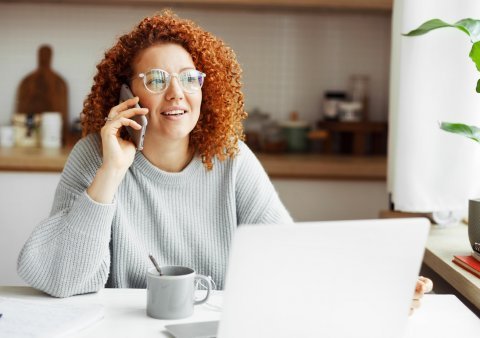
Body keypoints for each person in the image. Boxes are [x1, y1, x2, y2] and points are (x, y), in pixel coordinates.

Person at [17, 10, 432, 314]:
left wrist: (374, 289)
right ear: (127, 94)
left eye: (189, 78)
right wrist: (111, 172)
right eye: (157, 80)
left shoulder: (229, 158)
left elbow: (286, 258)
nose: (177, 93)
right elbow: (62, 280)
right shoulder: (94, 155)